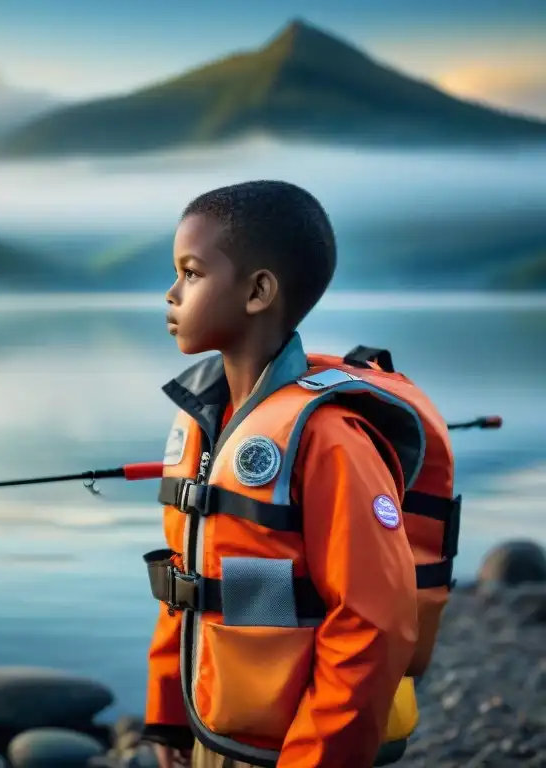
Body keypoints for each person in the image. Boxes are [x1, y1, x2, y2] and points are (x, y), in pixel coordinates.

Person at [140, 181, 420, 768]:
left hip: (297, 748)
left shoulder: (331, 442)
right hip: (211, 730)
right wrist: (169, 717)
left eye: (190, 273)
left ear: (258, 291)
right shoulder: (203, 425)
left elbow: (374, 624)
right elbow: (187, 583)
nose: (170, 294)